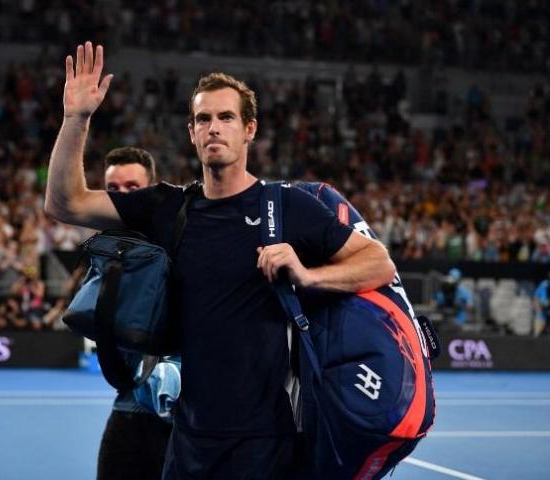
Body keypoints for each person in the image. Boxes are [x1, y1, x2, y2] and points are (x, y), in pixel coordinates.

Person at [45, 42, 394, 479]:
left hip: (267, 443)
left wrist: (307, 274)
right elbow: (66, 203)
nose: (214, 128)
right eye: (203, 119)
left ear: (249, 129)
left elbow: (379, 263)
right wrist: (76, 119)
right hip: (188, 439)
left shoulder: (288, 207)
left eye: (226, 117)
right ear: (191, 132)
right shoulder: (170, 207)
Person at [94, 146, 174, 480]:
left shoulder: (181, 241)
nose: (123, 197)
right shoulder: (108, 251)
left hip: (182, 421)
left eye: (132, 188)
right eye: (113, 190)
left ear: (151, 189)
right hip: (127, 410)